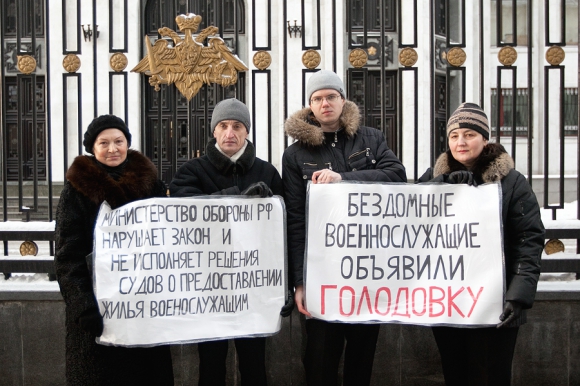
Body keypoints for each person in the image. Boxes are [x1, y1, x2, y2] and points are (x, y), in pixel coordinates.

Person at [282, 70, 407, 385]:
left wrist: (345, 179)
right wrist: (299, 282)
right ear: (310, 106)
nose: (325, 103)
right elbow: (295, 219)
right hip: (322, 274)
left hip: (366, 271)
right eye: (317, 98)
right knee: (320, 361)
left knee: (361, 362)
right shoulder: (295, 154)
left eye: (331, 96)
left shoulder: (371, 138)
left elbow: (396, 176)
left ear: (342, 99)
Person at [417, 102, 544, 385]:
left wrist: (518, 295)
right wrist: (441, 185)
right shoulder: (434, 177)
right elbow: (413, 223)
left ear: (484, 139)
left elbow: (529, 238)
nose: (460, 142)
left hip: (495, 304)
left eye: (469, 134)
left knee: (491, 375)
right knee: (456, 374)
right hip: (448, 303)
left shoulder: (512, 182)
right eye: (454, 136)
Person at [169, 98, 292, 386]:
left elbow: (281, 233)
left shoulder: (267, 172)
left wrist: (282, 285)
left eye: (237, 126)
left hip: (253, 289)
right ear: (213, 131)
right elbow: (183, 209)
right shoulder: (192, 171)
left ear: (246, 131)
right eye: (223, 126)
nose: (230, 133)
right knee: (210, 365)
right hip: (208, 289)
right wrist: (237, 196)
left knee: (254, 366)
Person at [54, 114, 174, 385]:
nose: (112, 149)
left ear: (127, 143)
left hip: (144, 311)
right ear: (92, 148)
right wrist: (84, 306)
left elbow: (173, 231)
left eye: (119, 141)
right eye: (103, 143)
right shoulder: (75, 191)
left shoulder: (151, 185)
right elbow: (67, 255)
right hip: (98, 314)